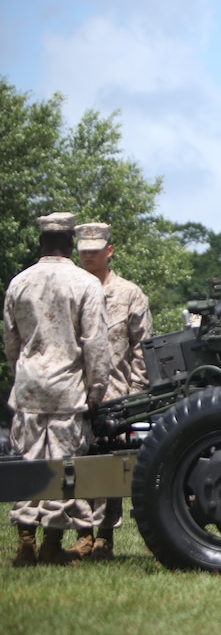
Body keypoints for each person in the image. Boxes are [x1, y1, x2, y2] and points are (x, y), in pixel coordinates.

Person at [3, 212, 110, 566]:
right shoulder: (85, 284)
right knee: (63, 469)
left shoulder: (19, 283)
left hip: (30, 390)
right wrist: (96, 392)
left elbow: (11, 341)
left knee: (28, 465)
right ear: (69, 243)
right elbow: (95, 344)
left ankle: (25, 545)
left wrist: (23, 373)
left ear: (40, 242)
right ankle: (51, 545)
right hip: (67, 391)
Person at [76, 221, 153, 560]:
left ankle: (105, 535)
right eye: (83, 251)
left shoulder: (129, 294)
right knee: (78, 463)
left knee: (110, 465)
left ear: (109, 250)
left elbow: (143, 346)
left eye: (95, 250)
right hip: (75, 391)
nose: (88, 256)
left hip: (117, 393)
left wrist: (136, 389)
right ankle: (82, 534)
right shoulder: (72, 288)